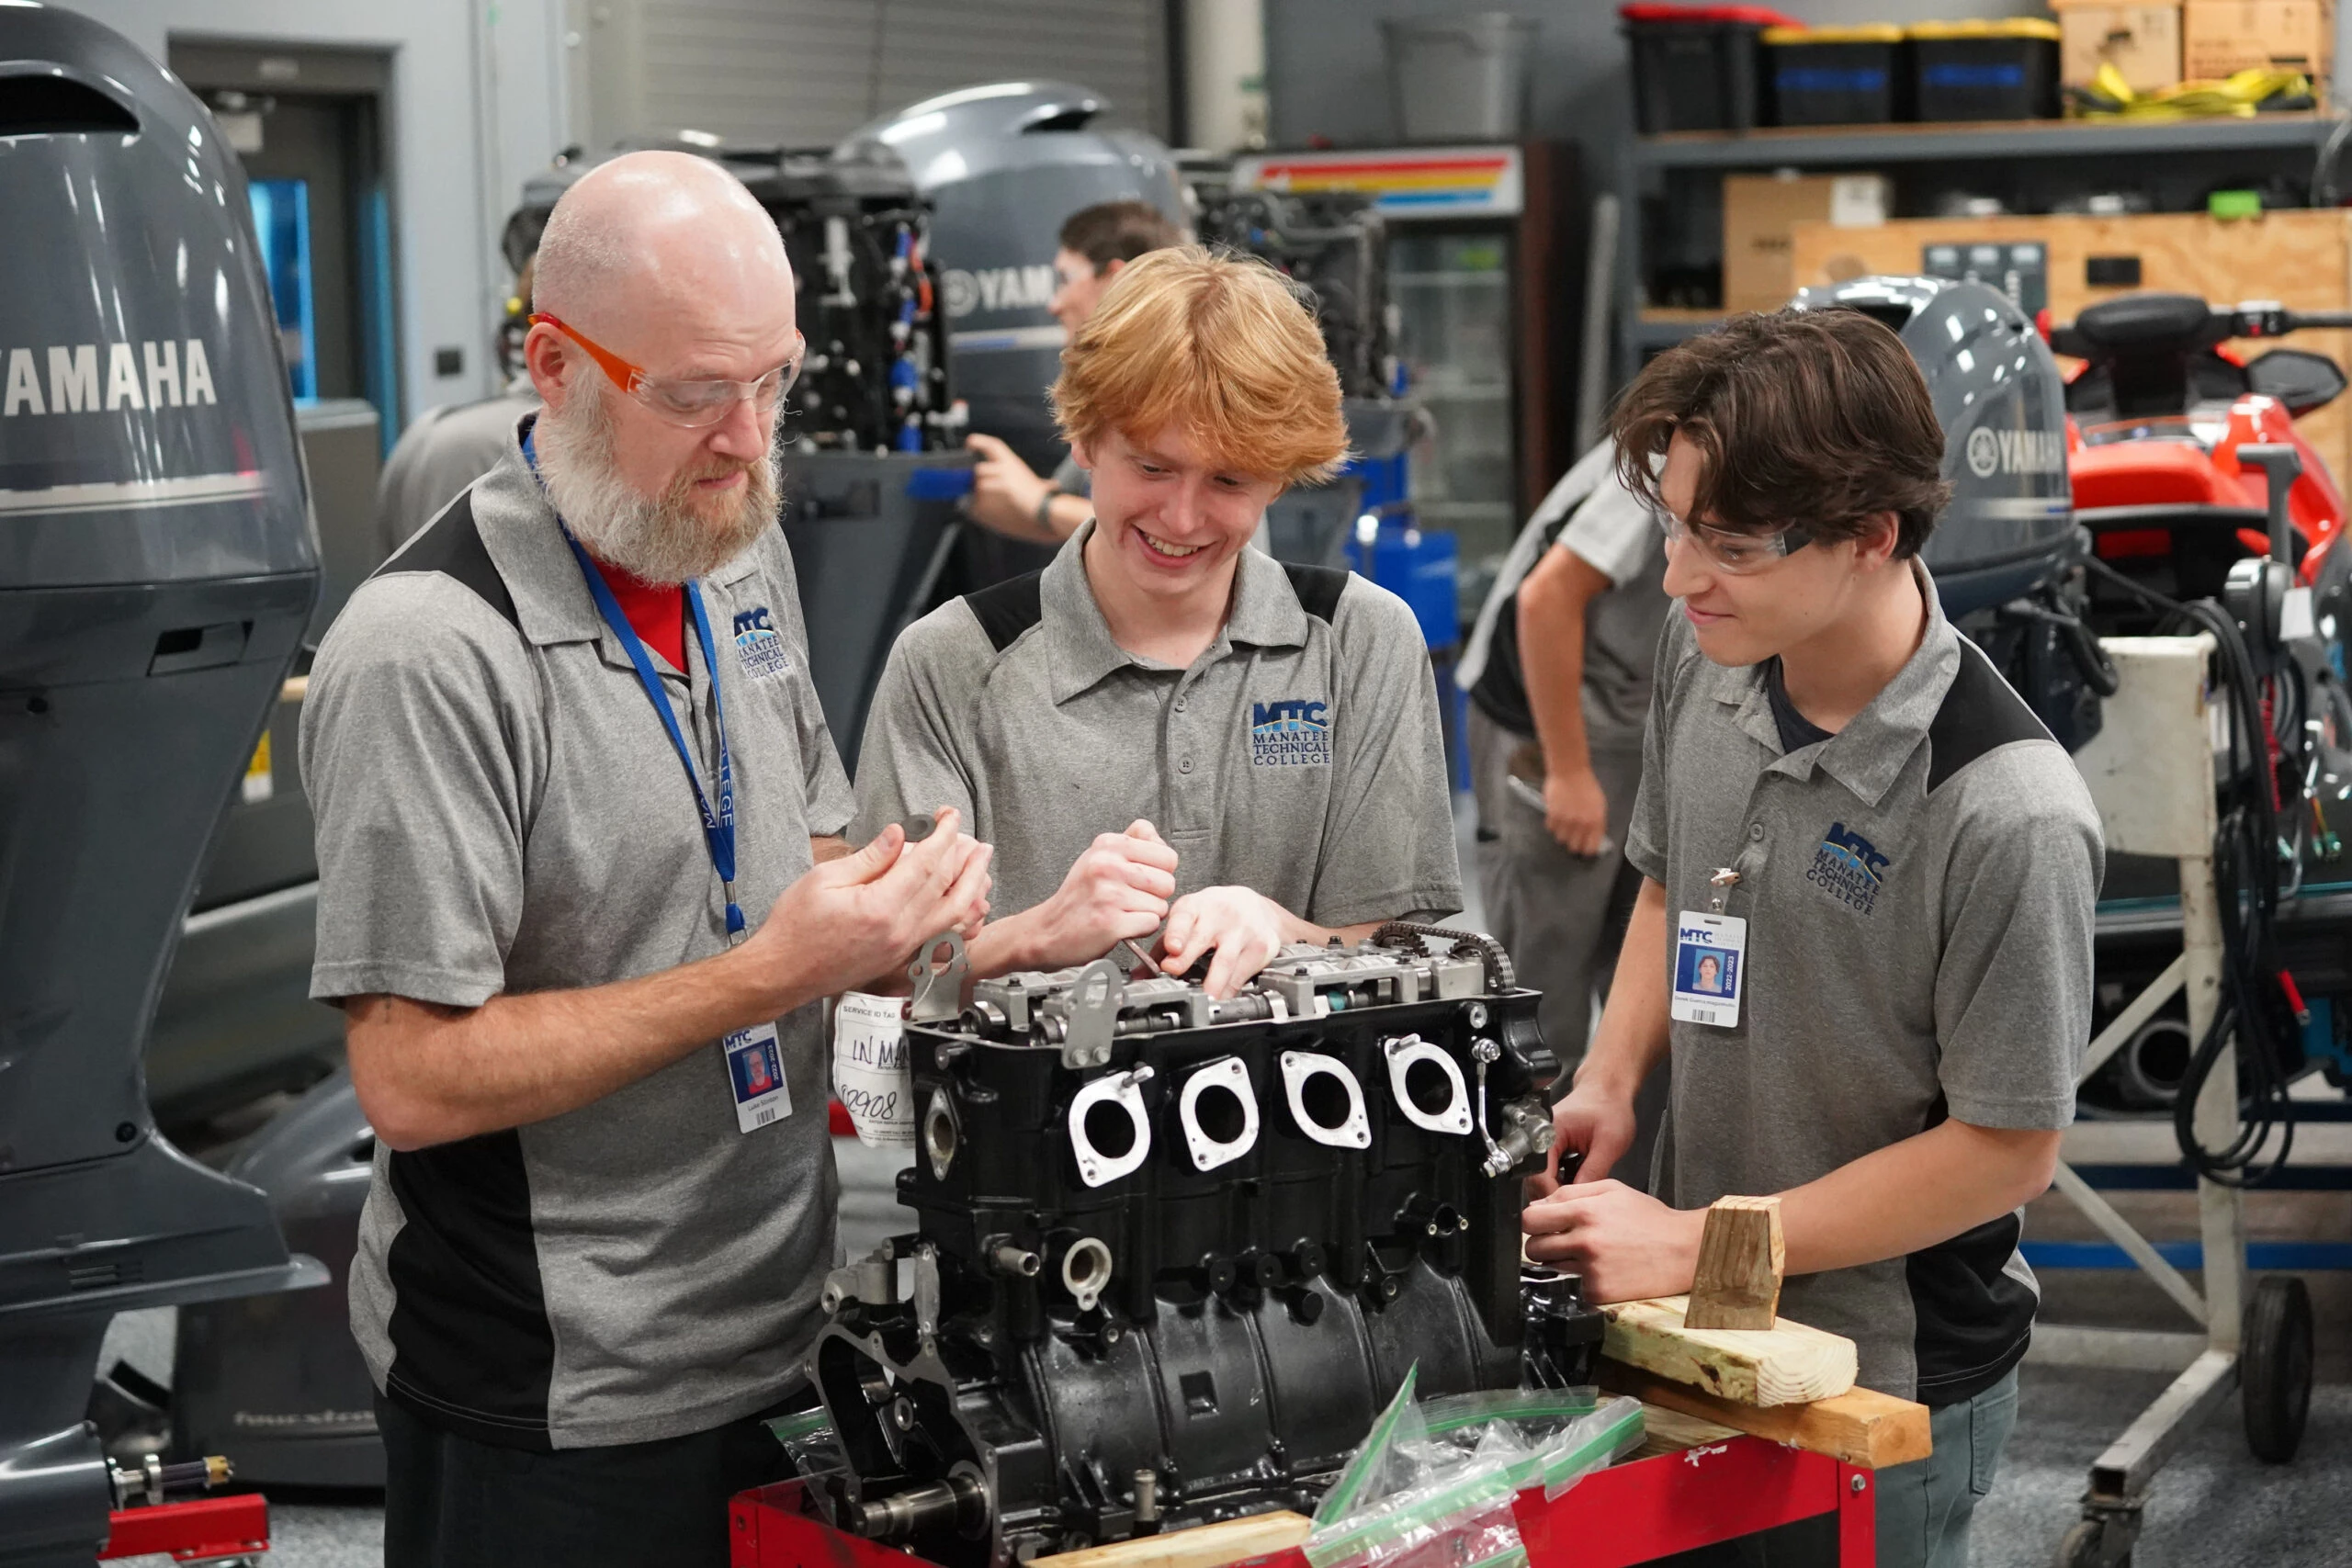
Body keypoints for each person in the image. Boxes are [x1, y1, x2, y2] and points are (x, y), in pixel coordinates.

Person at [300, 150, 992, 1568]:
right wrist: (762, 974)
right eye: (693, 394)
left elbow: (799, 851)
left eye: (774, 382)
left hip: (781, 1334)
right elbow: (411, 1076)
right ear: (555, 364)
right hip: (553, 1395)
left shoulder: (727, 544)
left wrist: (956, 933)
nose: (746, 439)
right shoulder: (430, 651)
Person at [1522, 310, 2101, 1568]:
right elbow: (1670, 880)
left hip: (1882, 1377)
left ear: (1871, 534)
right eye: (1675, 526)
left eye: (1728, 544)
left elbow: (2006, 1150)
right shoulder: (1712, 652)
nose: (1678, 576)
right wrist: (1610, 1077)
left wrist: (1700, 1242)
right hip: (1696, 1323)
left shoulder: (2009, 813)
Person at [853, 245, 1462, 997]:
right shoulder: (950, 664)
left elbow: (1415, 955)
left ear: (1279, 478)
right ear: (1084, 439)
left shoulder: (1361, 643)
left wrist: (1280, 928)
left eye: (1229, 480)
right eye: (1151, 467)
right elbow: (879, 986)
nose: (1181, 517)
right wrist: (1035, 936)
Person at [1460, 441, 1674, 1185]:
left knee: (1635, 972)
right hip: (1551, 719)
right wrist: (1569, 770)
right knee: (1543, 975)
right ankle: (1528, 1197)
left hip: (1634, 719)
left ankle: (1617, 1186)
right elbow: (1545, 598)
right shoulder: (1664, 462)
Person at [960, 199, 1186, 546]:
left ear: (1115, 278)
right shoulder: (1115, 388)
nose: (1055, 304)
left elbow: (1170, 527)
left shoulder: (1181, 383)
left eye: (1066, 279)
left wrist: (1038, 501)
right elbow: (1061, 520)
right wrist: (965, 491)